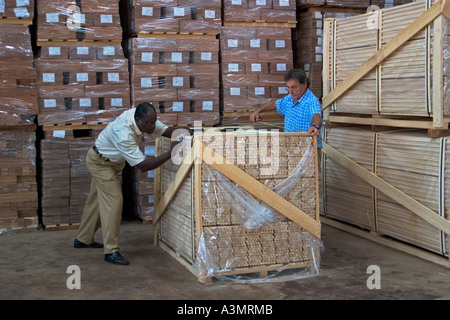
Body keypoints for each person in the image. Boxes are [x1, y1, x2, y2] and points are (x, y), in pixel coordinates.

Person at [74, 102, 191, 265]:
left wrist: (187, 133)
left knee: (95, 201)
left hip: (112, 162)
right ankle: (111, 251)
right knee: (114, 201)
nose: (152, 126)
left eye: (154, 121)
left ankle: (83, 239)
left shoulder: (144, 119)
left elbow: (165, 130)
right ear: (137, 120)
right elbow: (142, 166)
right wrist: (171, 153)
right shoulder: (123, 133)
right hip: (100, 163)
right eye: (149, 123)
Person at [250, 68, 322, 163]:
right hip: (291, 147)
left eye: (294, 87)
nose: (290, 91)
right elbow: (275, 104)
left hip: (308, 150)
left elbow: (316, 114)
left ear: (304, 84)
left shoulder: (311, 101)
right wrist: (258, 111)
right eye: (288, 88)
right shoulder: (289, 98)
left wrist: (314, 126)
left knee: (309, 176)